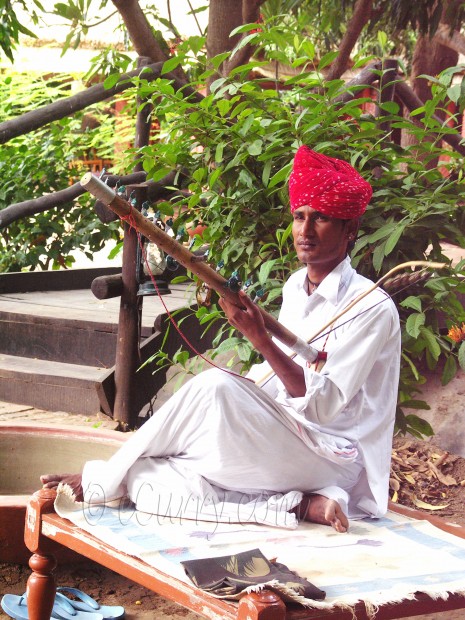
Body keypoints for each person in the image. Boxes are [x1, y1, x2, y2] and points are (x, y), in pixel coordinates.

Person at [41, 146, 401, 533]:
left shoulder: (372, 307)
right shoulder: (298, 286)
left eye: (322, 219)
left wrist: (260, 342)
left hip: (334, 457)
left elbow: (323, 408)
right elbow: (274, 383)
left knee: (214, 387)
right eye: (299, 217)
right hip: (284, 442)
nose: (305, 231)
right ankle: (294, 506)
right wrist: (246, 395)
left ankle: (101, 478)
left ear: (350, 231)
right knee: (148, 479)